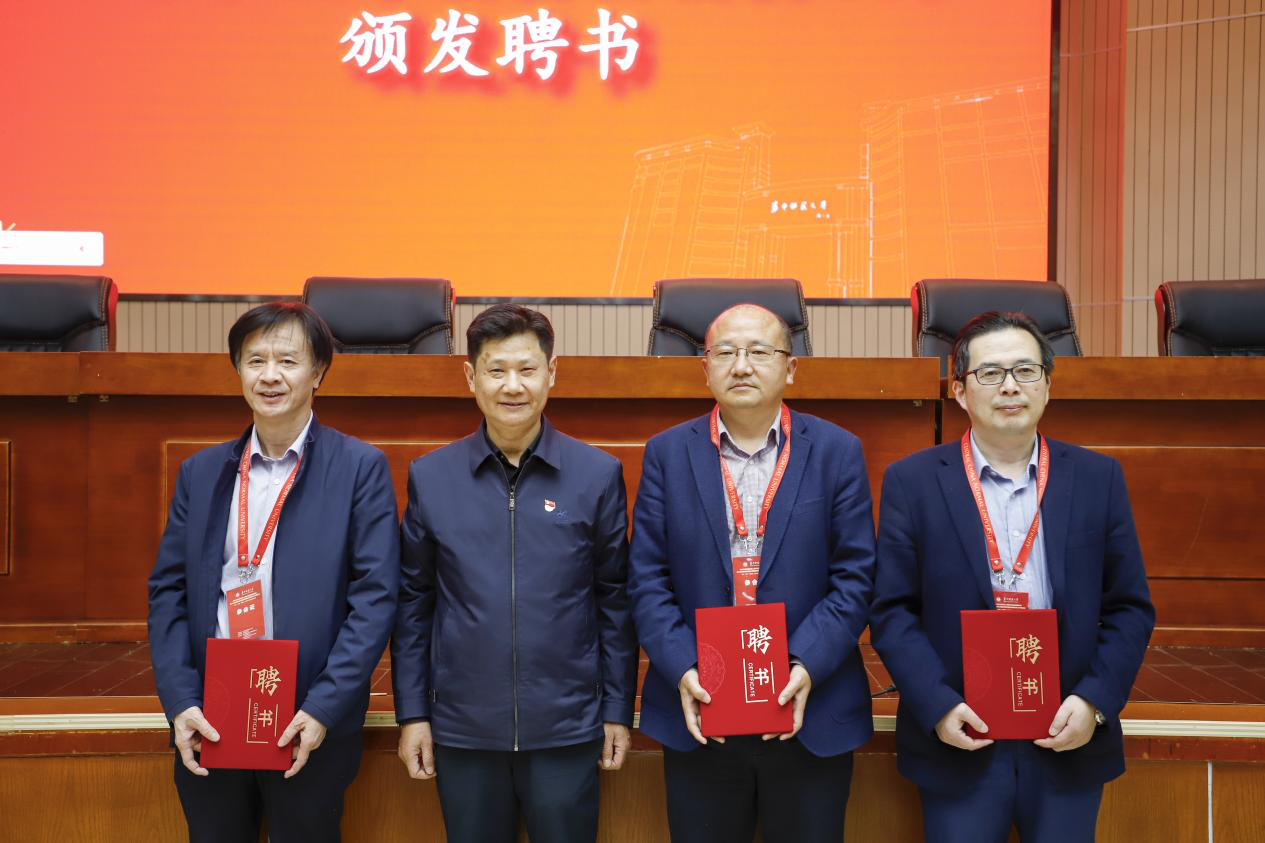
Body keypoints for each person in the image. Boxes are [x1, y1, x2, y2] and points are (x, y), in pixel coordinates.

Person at [870, 311, 1155, 842]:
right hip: (961, 735)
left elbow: (1129, 607)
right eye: (990, 373)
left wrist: (1093, 702)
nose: (1010, 386)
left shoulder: (1098, 478)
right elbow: (891, 611)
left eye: (1026, 370)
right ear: (959, 390)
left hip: (1065, 732)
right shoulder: (912, 482)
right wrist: (938, 705)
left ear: (1048, 385)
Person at [147, 302, 400, 842]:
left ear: (318, 373)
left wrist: (323, 707)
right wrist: (181, 701)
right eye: (255, 360)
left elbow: (376, 598)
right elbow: (168, 592)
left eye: (287, 360)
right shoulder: (200, 472)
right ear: (237, 369)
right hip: (211, 714)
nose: (269, 375)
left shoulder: (360, 469)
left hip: (306, 717)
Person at [628, 303, 876, 843]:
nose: (741, 365)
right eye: (726, 352)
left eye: (759, 352)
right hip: (701, 710)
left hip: (809, 709)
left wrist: (803, 664)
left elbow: (855, 577)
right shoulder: (667, 454)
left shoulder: (837, 451)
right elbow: (646, 578)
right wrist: (685, 667)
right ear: (705, 368)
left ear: (790, 367)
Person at [392, 303, 638, 843]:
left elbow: (614, 600)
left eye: (527, 369)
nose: (512, 386)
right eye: (496, 370)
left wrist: (617, 709)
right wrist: (412, 713)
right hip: (464, 731)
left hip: (567, 729)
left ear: (552, 373)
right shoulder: (432, 478)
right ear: (470, 377)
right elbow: (414, 603)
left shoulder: (596, 475)